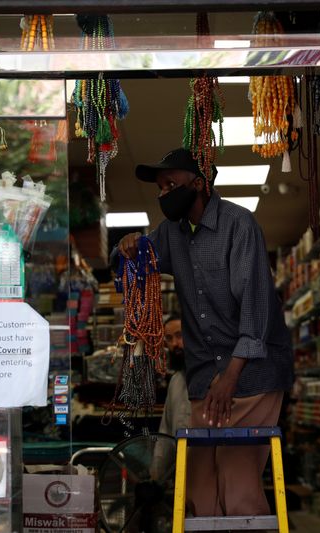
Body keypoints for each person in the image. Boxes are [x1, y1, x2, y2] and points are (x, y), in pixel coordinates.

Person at [115, 147, 294, 518]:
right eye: (160, 188)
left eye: (170, 184)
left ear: (199, 183)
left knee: (236, 478)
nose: (163, 193)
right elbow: (135, 265)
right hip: (204, 376)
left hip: (252, 374)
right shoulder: (171, 233)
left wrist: (231, 375)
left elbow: (256, 307)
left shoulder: (238, 224)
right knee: (198, 487)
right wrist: (127, 247)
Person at [158, 315, 191, 438]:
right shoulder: (175, 381)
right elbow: (165, 430)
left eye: (179, 335)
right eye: (169, 338)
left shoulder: (214, 378)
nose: (174, 344)